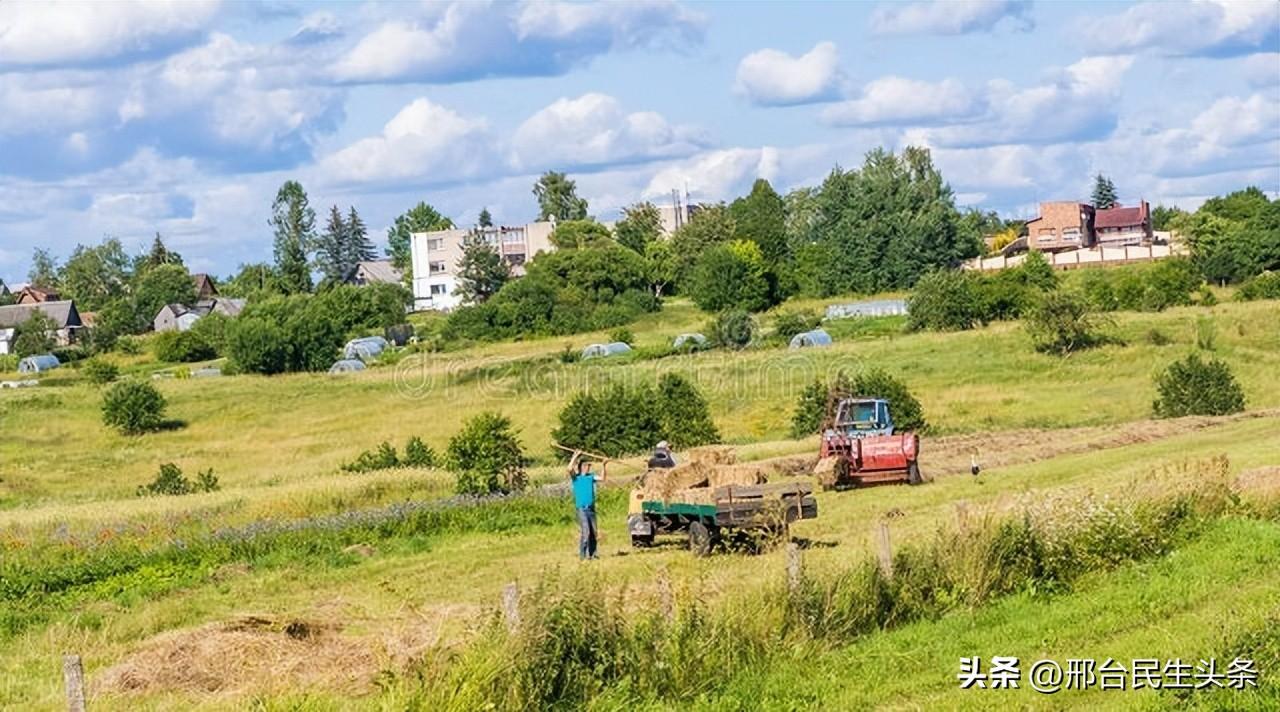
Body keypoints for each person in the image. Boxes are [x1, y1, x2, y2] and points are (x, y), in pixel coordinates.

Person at [568, 453, 606, 560]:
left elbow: (603, 478)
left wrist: (604, 465)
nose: (588, 468)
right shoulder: (576, 478)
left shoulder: (591, 477)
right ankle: (582, 555)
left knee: (593, 532)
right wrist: (575, 456)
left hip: (591, 509)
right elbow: (569, 468)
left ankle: (593, 554)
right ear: (581, 467)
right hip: (582, 509)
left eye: (589, 466)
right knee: (586, 532)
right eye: (586, 466)